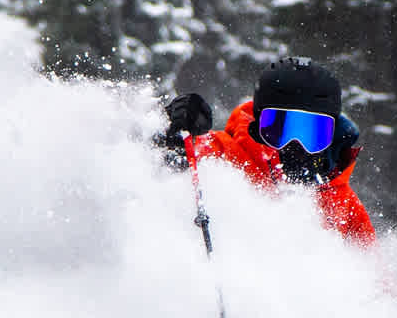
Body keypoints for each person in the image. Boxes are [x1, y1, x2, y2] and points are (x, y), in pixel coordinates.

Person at [156, 57, 375, 243]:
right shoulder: (225, 155)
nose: (295, 145)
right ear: (257, 124)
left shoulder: (341, 203)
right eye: (280, 128)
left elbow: (377, 283)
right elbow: (156, 163)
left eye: (312, 134)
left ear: (332, 134)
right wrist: (173, 134)